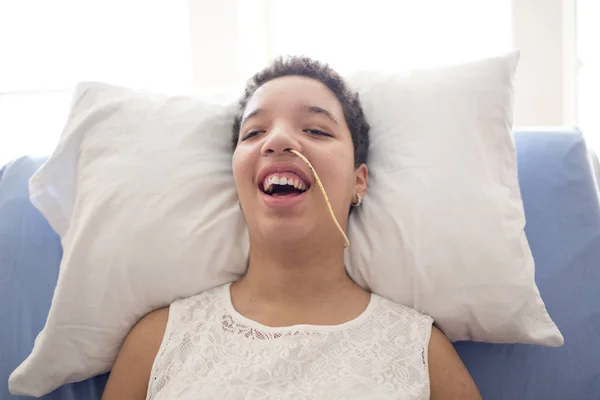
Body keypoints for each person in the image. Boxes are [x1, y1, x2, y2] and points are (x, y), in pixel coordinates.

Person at [102, 56, 481, 400]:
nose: (279, 140)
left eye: (316, 130)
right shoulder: (158, 342)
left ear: (358, 182)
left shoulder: (420, 352)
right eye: (253, 133)